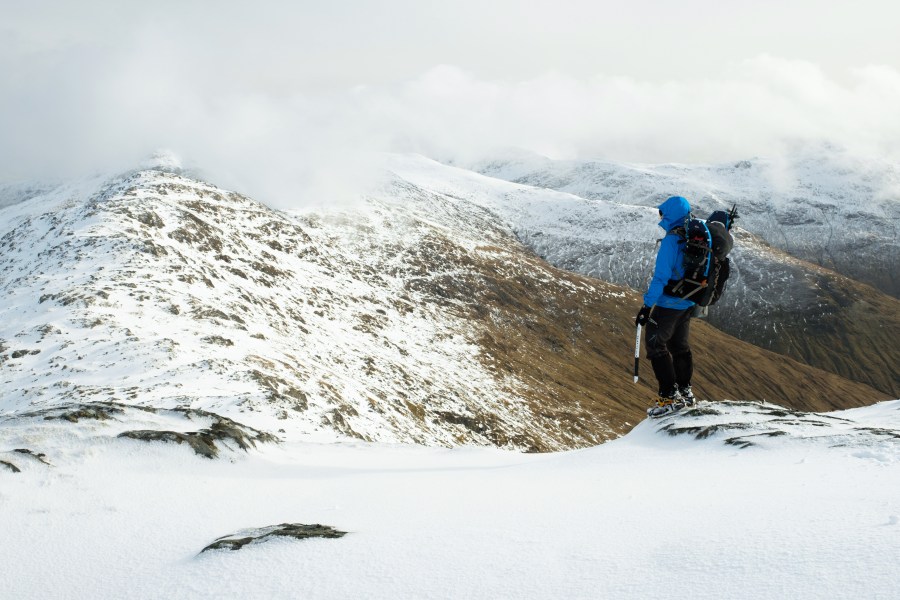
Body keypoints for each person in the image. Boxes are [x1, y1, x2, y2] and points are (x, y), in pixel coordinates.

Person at [635, 195, 697, 416]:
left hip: (669, 304)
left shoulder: (672, 241)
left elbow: (661, 277)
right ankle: (685, 393)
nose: (660, 216)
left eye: (663, 212)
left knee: (655, 345)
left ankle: (669, 398)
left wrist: (646, 307)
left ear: (670, 214)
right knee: (679, 346)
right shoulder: (692, 236)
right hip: (688, 301)